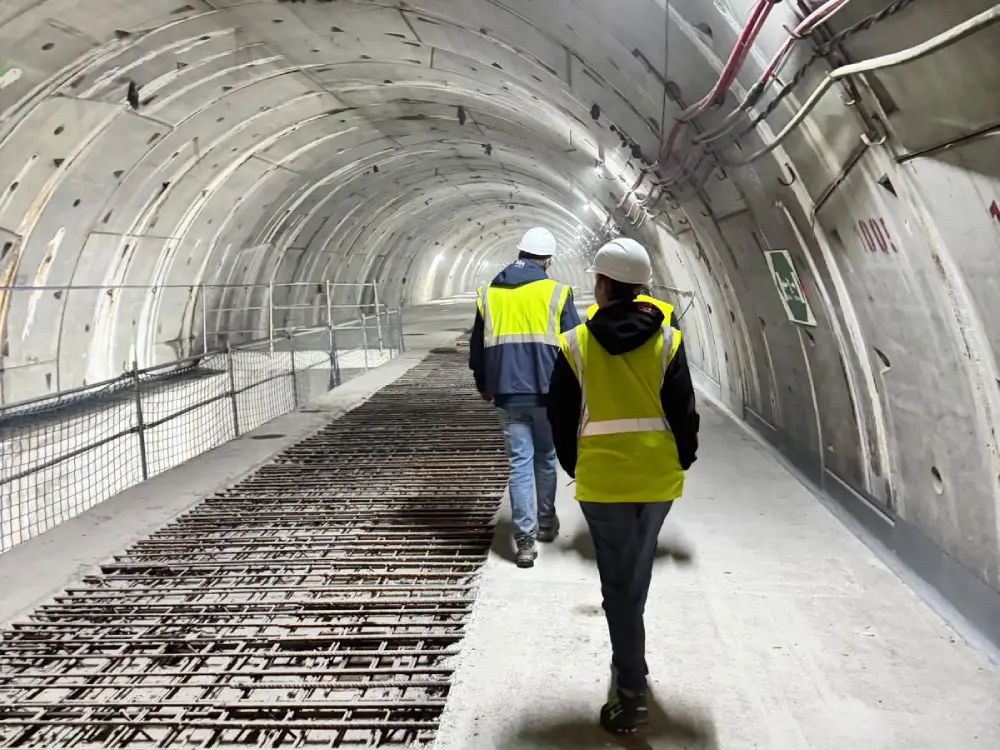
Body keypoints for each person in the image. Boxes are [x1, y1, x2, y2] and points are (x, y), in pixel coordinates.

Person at [546, 237, 700, 735]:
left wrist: (575, 466)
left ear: (603, 284)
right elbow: (684, 411)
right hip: (657, 479)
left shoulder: (575, 343)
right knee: (633, 571)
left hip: (602, 480)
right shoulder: (669, 339)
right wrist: (681, 459)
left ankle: (631, 689)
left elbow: (561, 414)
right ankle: (631, 661)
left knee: (619, 583)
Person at [469, 227, 582, 568]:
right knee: (545, 458)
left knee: (519, 463)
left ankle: (525, 541)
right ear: (547, 260)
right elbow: (575, 346)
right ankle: (546, 523)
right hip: (548, 393)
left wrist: (483, 383)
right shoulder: (557, 293)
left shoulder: (489, 293)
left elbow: (477, 348)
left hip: (507, 393)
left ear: (520, 254)